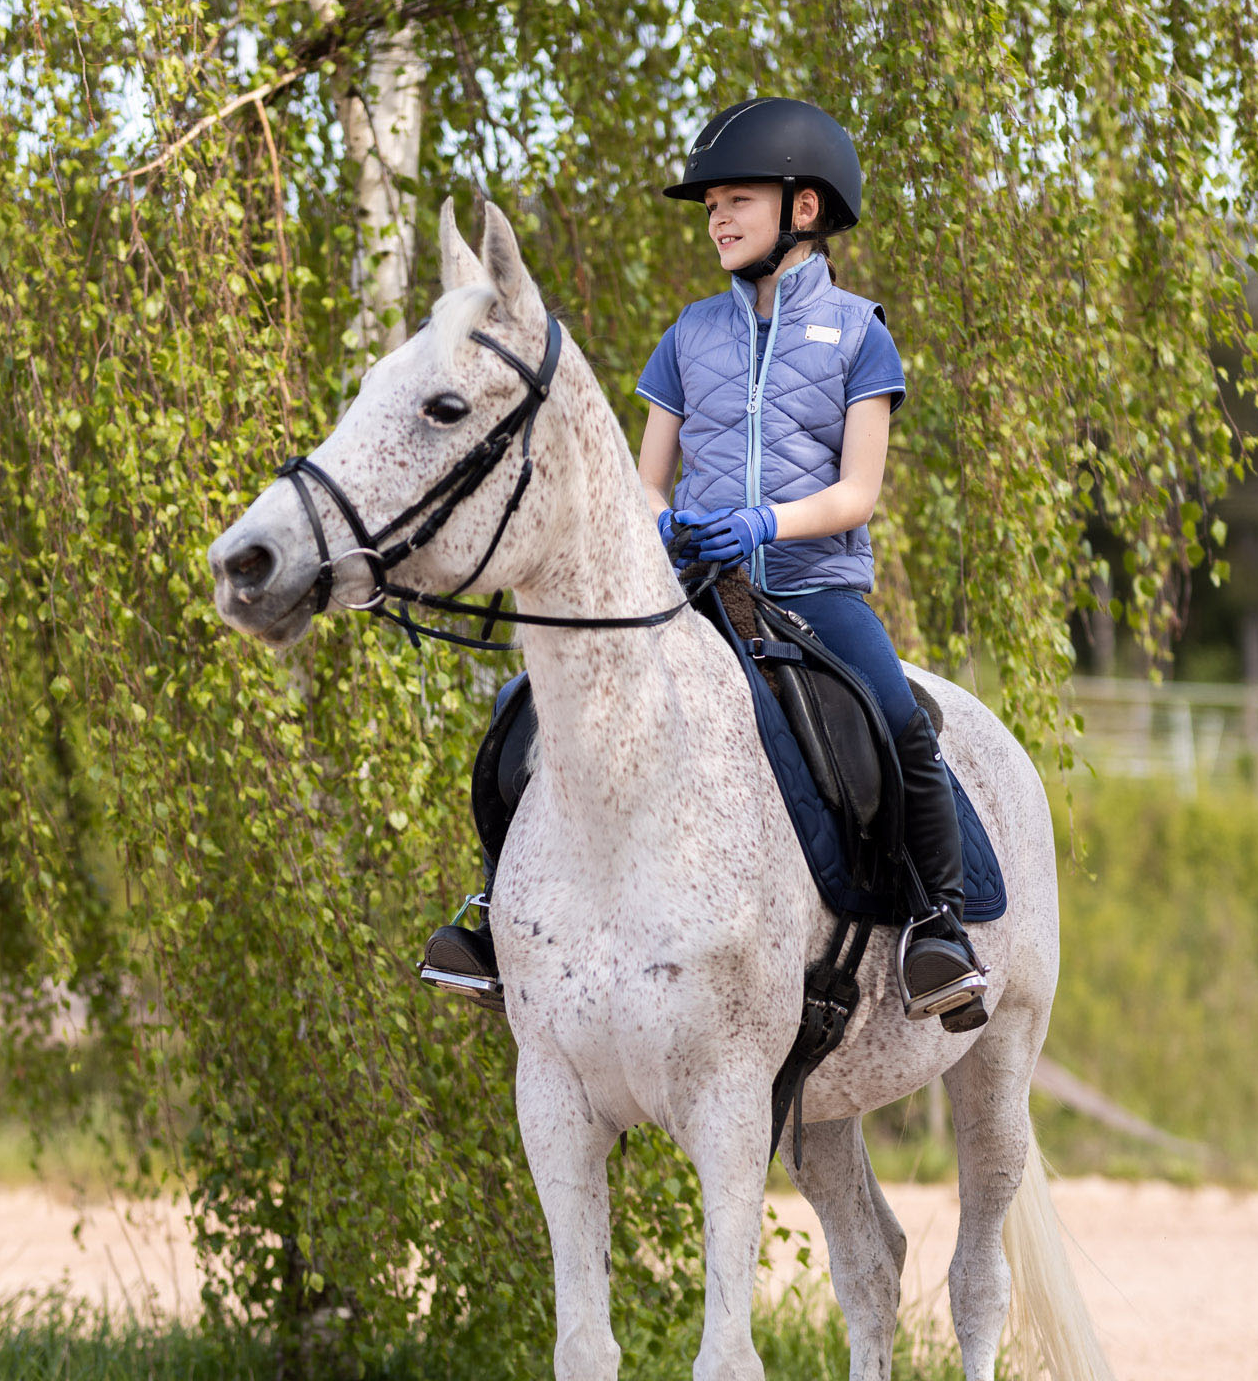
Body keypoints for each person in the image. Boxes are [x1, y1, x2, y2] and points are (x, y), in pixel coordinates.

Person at [421, 95, 986, 1030]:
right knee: (521, 708)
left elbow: (858, 495)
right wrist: (670, 524)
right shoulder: (689, 336)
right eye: (711, 204)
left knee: (897, 721)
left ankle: (939, 928)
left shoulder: (858, 334)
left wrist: (765, 524)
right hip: (693, 589)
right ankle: (493, 916)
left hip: (813, 588)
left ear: (803, 208)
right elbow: (645, 482)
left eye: (737, 200)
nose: (717, 218)